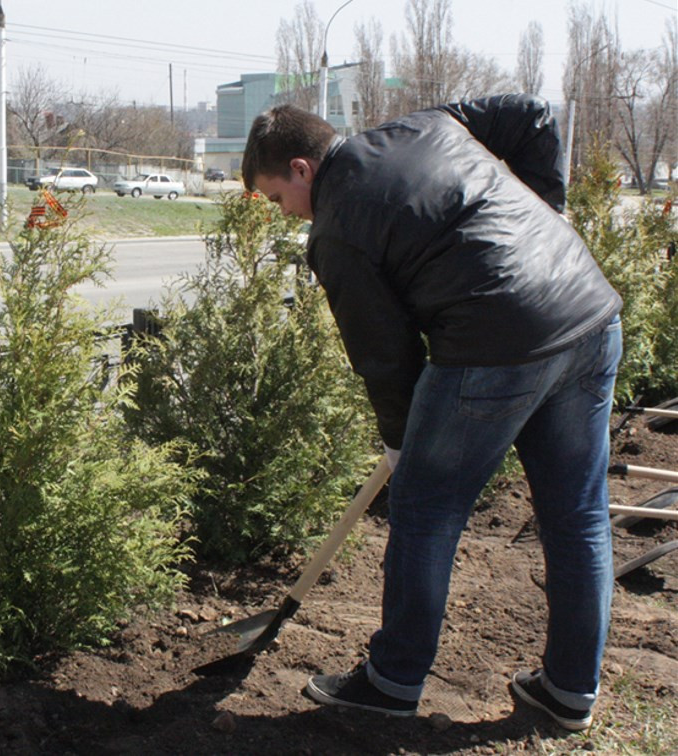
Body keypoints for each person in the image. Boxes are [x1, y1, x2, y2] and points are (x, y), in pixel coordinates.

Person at [241, 95, 622, 731]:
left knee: (424, 510)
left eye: (279, 198)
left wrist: (402, 442)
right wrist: (544, 215)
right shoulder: (425, 123)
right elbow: (530, 114)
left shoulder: (335, 230)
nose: (287, 214)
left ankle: (391, 683)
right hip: (587, 311)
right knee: (577, 512)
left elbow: (385, 358)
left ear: (302, 169)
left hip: (496, 344)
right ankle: (569, 691)